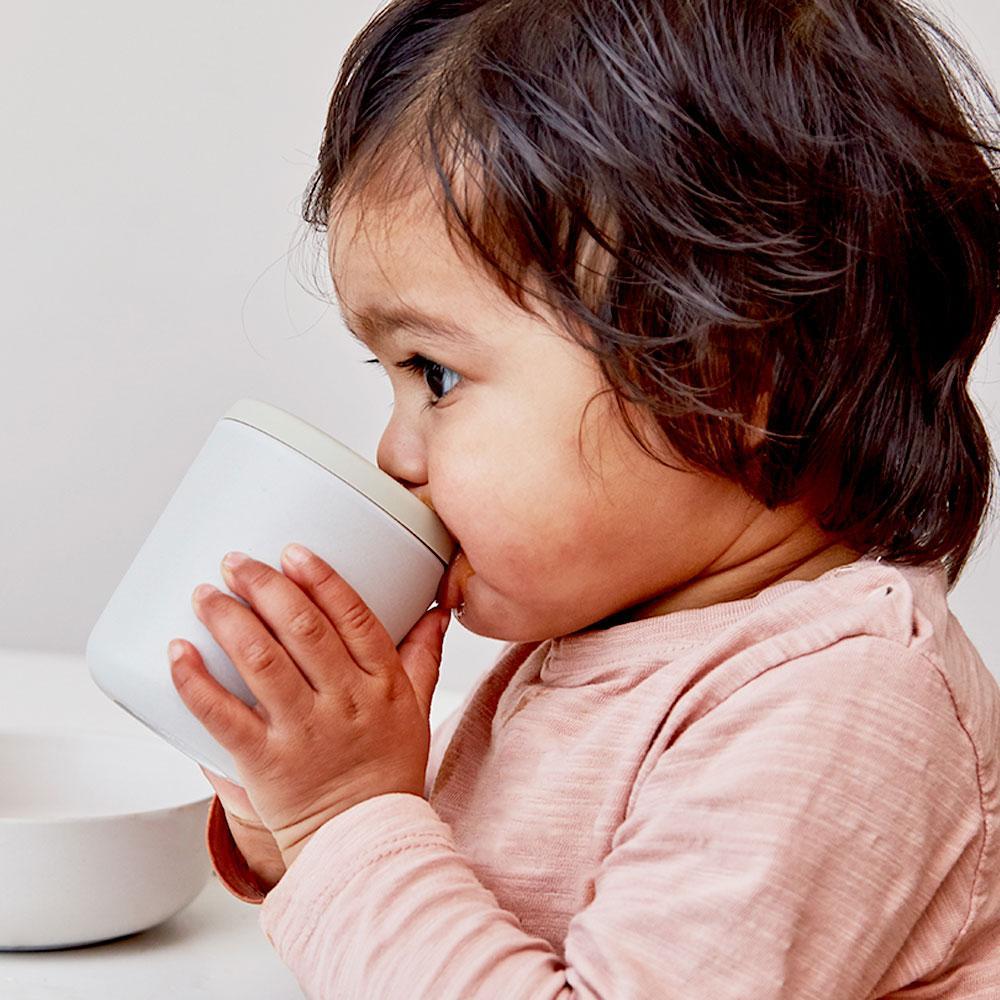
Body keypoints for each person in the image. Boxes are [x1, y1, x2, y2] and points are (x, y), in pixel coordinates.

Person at [196, 0, 1000, 994]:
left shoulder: (837, 702)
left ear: (721, 371)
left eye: (435, 375)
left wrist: (347, 817)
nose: (393, 451)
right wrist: (296, 814)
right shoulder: (607, 635)